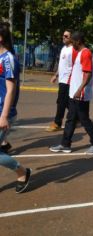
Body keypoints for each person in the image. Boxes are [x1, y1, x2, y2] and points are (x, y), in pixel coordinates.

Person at [49, 31, 93, 155]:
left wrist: (79, 90)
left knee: (84, 120)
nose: (72, 44)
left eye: (73, 41)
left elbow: (88, 73)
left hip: (81, 93)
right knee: (70, 119)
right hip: (74, 92)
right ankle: (65, 144)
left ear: (78, 41)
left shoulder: (86, 53)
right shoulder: (79, 53)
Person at [0, 22, 31, 193]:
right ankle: (22, 172)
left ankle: (22, 172)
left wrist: (4, 116)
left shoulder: (8, 59)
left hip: (3, 112)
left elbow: (11, 90)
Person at [46, 29, 78, 132]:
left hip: (68, 80)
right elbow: (61, 65)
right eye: (63, 36)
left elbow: (75, 66)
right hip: (62, 79)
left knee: (61, 102)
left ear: (71, 38)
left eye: (66, 36)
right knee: (65, 102)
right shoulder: (63, 48)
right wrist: (56, 75)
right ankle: (77, 116)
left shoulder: (73, 50)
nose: (63, 37)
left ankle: (57, 123)